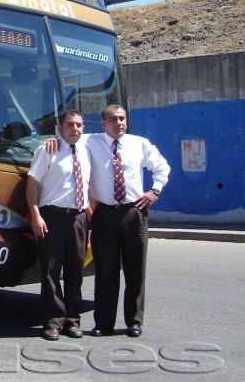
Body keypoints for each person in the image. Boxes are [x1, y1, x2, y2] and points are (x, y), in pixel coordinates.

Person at [44, 104, 170, 338]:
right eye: (113, 119)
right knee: (106, 271)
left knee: (135, 271)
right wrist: (52, 138)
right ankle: (104, 323)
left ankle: (134, 321)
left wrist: (155, 191)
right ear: (103, 123)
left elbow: (162, 167)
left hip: (135, 213)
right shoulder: (90, 141)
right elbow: (69, 133)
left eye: (122, 119)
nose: (119, 123)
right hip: (104, 214)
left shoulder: (139, 144)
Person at [26, 109, 90, 341]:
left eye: (79, 125)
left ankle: (73, 321)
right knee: (51, 272)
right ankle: (53, 322)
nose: (75, 129)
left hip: (79, 218)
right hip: (51, 217)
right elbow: (32, 183)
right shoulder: (48, 149)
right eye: (70, 125)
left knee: (75, 271)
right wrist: (36, 216)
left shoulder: (88, 147)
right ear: (60, 127)